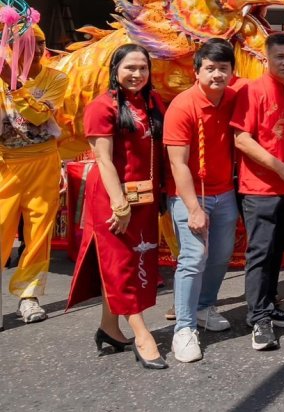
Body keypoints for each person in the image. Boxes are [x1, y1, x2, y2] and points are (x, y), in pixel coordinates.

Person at [68, 44, 168, 369]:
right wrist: (119, 204)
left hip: (144, 197)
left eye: (143, 68)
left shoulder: (153, 102)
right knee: (121, 263)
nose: (137, 74)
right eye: (130, 68)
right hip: (113, 198)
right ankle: (141, 334)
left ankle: (109, 329)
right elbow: (103, 159)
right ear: (115, 69)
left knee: (135, 258)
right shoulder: (102, 106)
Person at [232, 32, 284, 351]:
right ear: (267, 58)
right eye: (280, 57)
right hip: (259, 188)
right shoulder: (252, 91)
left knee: (277, 249)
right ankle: (259, 318)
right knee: (261, 252)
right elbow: (242, 139)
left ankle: (268, 303)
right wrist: (280, 167)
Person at [163, 39, 239, 363]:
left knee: (221, 255)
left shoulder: (235, 97)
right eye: (210, 68)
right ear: (197, 71)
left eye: (224, 68)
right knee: (194, 257)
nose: (217, 74)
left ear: (232, 72)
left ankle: (205, 306)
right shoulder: (182, 106)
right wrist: (193, 208)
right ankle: (183, 328)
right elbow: (178, 163)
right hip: (189, 194)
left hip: (225, 192)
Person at [0, 24, 66, 324]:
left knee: (39, 232)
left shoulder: (56, 78)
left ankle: (29, 296)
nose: (37, 49)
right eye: (27, 43)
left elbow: (39, 115)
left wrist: (13, 86)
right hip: (6, 164)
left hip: (43, 163)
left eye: (40, 42)